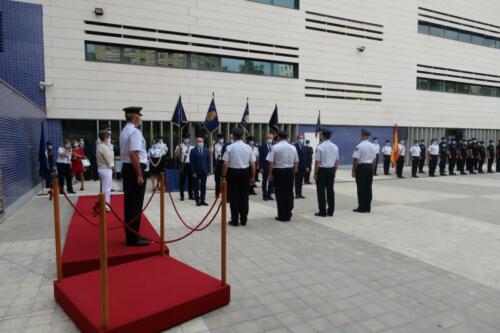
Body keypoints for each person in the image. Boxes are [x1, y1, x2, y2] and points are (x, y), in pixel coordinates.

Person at [119, 106, 149, 246]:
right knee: (135, 205)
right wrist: (139, 175)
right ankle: (134, 237)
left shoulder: (125, 130)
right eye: (140, 117)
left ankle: (131, 235)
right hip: (134, 169)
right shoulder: (135, 131)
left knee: (130, 204)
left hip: (127, 168)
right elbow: (134, 154)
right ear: (136, 118)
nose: (140, 119)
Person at [222, 128, 256, 226]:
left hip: (233, 173)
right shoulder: (248, 147)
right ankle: (244, 219)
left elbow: (225, 164)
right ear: (242, 136)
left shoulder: (230, 147)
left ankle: (235, 220)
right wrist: (253, 177)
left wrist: (224, 176)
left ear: (234, 136)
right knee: (244, 197)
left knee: (234, 197)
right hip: (245, 172)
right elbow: (253, 164)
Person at [267, 130, 298, 222]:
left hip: (279, 171)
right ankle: (288, 213)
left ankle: (282, 215)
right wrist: (294, 170)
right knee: (289, 192)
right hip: (290, 171)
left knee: (280, 194)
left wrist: (270, 174)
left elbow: (270, 162)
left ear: (279, 137)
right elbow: (296, 161)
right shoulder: (293, 147)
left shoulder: (275, 147)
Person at [314, 129, 339, 217]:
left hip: (322, 170)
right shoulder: (335, 146)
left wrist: (315, 173)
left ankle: (322, 211)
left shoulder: (320, 147)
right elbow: (337, 161)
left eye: (321, 135)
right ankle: (331, 211)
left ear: (323, 136)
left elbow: (317, 161)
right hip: (331, 170)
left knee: (321, 191)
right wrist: (334, 171)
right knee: (330, 191)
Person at [352, 129, 377, 213]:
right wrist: (372, 169)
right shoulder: (373, 146)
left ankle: (361, 207)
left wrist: (353, 170)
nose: (360, 136)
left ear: (363, 136)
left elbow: (355, 159)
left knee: (361, 188)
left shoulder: (359, 146)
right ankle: (368, 207)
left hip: (361, 167)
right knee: (368, 187)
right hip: (369, 167)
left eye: (361, 135)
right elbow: (374, 159)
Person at [96, 129, 115, 210]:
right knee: (107, 188)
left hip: (103, 168)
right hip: (106, 169)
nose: (109, 139)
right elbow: (109, 159)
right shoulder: (103, 147)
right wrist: (113, 168)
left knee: (105, 187)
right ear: (105, 137)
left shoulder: (101, 146)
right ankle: (106, 205)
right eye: (108, 137)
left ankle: (104, 204)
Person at [190, 136, 210, 206]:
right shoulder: (193, 150)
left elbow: (208, 161)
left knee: (203, 186)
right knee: (196, 186)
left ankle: (202, 200)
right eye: (199, 141)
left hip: (204, 170)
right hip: (196, 171)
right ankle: (197, 200)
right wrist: (193, 172)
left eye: (201, 141)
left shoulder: (206, 150)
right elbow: (191, 162)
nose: (200, 143)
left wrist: (208, 170)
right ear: (196, 142)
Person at [175, 135, 194, 201]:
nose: (187, 139)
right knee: (182, 181)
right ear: (183, 139)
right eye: (185, 138)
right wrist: (179, 148)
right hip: (183, 164)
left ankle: (191, 195)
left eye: (188, 138)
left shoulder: (192, 146)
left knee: (191, 180)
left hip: (190, 164)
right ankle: (182, 195)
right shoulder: (180, 146)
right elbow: (176, 154)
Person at [259, 133, 274, 201]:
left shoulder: (274, 146)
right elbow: (260, 158)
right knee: (265, 181)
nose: (270, 139)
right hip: (265, 166)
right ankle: (264, 195)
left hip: (273, 167)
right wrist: (261, 167)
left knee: (271, 181)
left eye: (271, 138)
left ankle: (269, 194)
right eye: (268, 138)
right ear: (266, 138)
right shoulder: (262, 146)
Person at [294, 134, 309, 199]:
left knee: (301, 181)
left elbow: (306, 158)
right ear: (297, 139)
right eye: (300, 138)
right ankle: (297, 193)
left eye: (302, 138)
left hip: (303, 166)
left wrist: (307, 166)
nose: (301, 139)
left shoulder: (304, 147)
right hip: (297, 166)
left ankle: (300, 193)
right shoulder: (294, 146)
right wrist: (295, 167)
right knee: (297, 181)